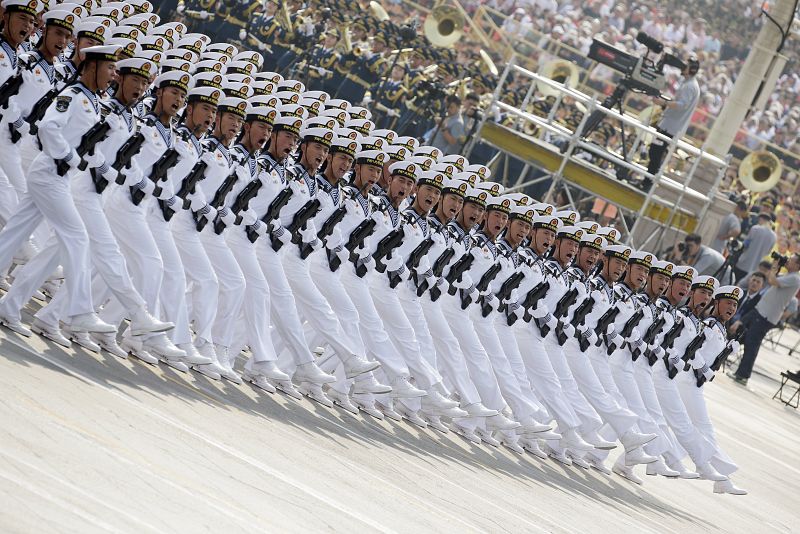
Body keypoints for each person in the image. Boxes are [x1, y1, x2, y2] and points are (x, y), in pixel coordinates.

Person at [732, 253, 800, 385]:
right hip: (760, 311)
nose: (788, 261)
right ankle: (739, 369)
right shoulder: (789, 276)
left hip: (766, 316)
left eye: (791, 260)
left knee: (752, 343)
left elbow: (772, 281)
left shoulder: (795, 279)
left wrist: (774, 267)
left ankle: (742, 375)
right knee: (746, 336)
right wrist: (778, 266)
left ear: (798, 265)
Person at [646, 55, 701, 186]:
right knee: (655, 152)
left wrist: (663, 102)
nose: (682, 67)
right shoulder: (689, 84)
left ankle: (648, 182)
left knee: (655, 152)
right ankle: (648, 181)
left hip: (669, 126)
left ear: (692, 70)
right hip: (670, 125)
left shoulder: (689, 86)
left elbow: (682, 104)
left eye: (686, 66)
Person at [734, 213, 776, 282]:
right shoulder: (774, 236)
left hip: (744, 262)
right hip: (757, 268)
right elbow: (768, 252)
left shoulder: (755, 228)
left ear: (761, 219)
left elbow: (745, 245)